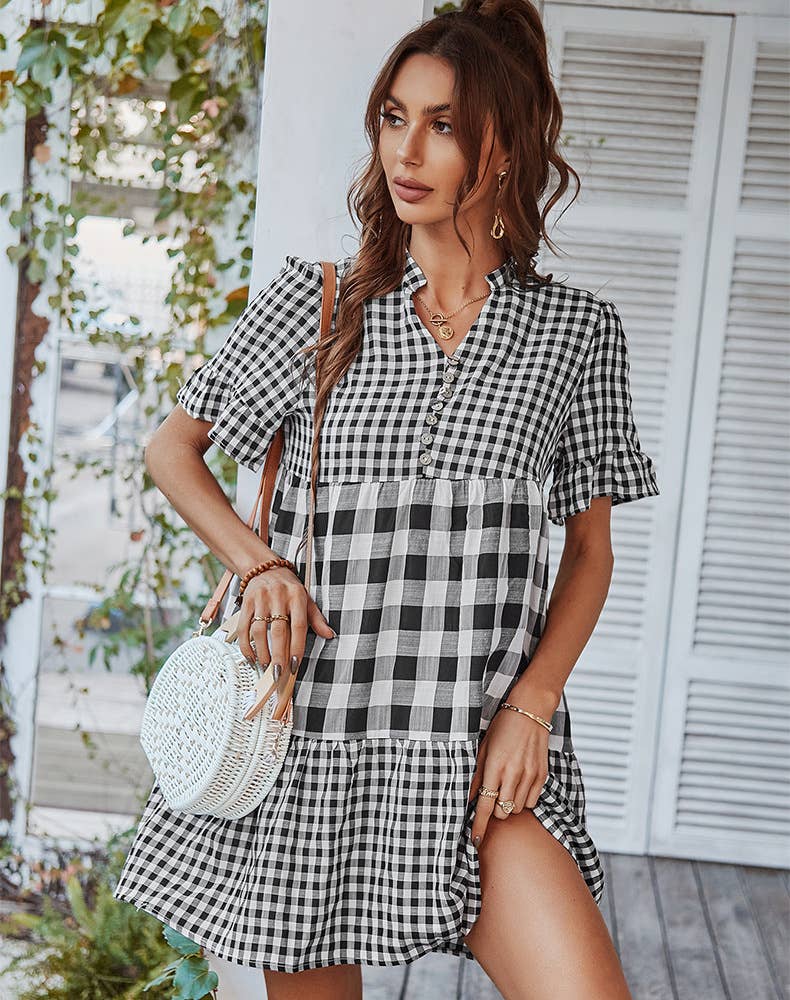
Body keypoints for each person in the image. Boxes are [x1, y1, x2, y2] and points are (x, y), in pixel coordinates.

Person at [114, 1, 660, 998]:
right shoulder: (320, 304)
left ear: (503, 147)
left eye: (442, 125)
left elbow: (590, 552)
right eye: (394, 118)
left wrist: (533, 704)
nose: (406, 151)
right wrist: (259, 563)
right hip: (312, 742)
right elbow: (172, 449)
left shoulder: (575, 334)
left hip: (475, 745)